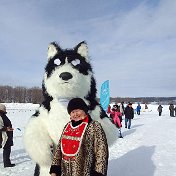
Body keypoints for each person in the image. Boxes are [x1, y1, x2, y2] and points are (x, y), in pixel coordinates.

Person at [50, 98, 109, 176]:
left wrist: (98, 172)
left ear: (84, 111)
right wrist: (55, 168)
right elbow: (59, 149)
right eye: (72, 112)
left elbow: (101, 152)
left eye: (77, 110)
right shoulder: (68, 126)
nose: (75, 114)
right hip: (65, 172)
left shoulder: (94, 126)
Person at [0, 103, 15, 167]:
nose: (5, 110)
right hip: (3, 135)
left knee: (7, 148)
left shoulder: (2, 115)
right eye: (4, 108)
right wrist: (7, 128)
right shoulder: (0, 115)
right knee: (7, 148)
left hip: (6, 134)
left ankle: (7, 163)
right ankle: (7, 163)